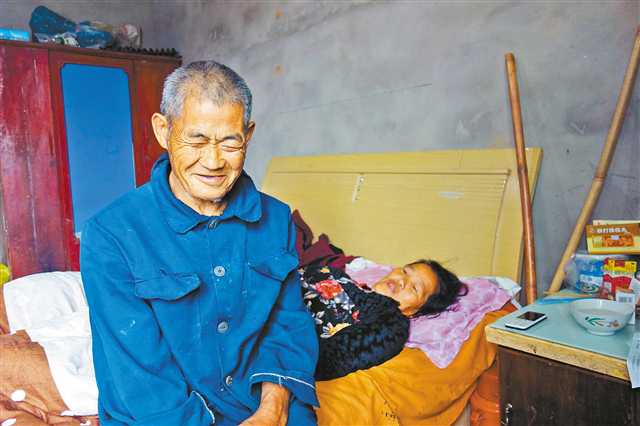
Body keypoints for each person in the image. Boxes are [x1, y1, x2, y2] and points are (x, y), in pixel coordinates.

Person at [80, 61, 319, 426]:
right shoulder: (110, 234)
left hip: (261, 404)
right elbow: (143, 383)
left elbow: (287, 324)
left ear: (248, 135)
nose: (213, 161)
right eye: (196, 140)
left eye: (230, 142)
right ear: (163, 130)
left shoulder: (276, 219)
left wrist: (273, 409)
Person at [300, 259, 467, 380]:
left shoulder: (392, 323)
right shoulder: (339, 275)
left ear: (414, 311)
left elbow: (325, 360)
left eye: (414, 288)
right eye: (405, 271)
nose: (402, 281)